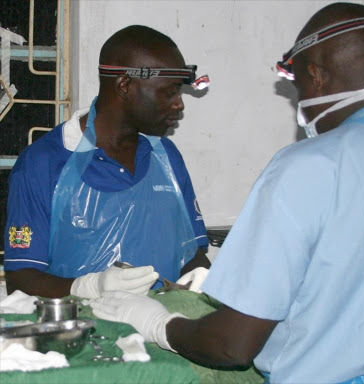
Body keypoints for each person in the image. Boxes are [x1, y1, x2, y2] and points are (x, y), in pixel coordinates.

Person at [90, 4, 364, 384]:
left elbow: (232, 345)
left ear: (316, 76)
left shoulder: (306, 167)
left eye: (296, 83)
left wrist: (156, 323)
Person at [4, 25, 211, 299]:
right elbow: (21, 280)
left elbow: (192, 252)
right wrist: (87, 288)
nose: (179, 104)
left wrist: (201, 283)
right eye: (169, 92)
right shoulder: (44, 164)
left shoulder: (167, 159)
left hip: (162, 334)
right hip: (80, 337)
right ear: (124, 85)